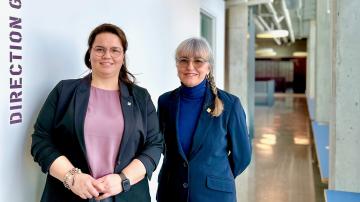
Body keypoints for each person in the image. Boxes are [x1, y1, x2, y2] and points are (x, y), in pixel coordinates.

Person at [31, 23, 163, 202]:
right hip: (68, 195)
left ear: (123, 56)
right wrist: (72, 177)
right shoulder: (64, 91)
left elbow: (154, 145)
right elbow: (41, 140)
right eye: (99, 49)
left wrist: (123, 179)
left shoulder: (141, 97)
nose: (107, 55)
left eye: (115, 50)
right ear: (90, 54)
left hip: (129, 195)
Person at [156, 37, 252, 202]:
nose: (190, 67)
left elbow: (242, 156)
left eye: (198, 61)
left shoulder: (230, 104)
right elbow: (163, 146)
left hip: (214, 195)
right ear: (177, 65)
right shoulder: (165, 102)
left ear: (209, 67)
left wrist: (215, 176)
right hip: (171, 193)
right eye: (183, 60)